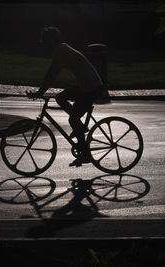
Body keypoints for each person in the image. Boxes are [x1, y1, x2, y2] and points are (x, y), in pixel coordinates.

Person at [27, 27, 105, 167]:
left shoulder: (60, 51)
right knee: (60, 98)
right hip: (86, 85)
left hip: (91, 87)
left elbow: (51, 75)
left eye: (45, 41)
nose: (44, 44)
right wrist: (40, 91)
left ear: (51, 41)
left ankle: (85, 154)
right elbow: (51, 74)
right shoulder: (62, 49)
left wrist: (40, 92)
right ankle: (80, 128)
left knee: (73, 119)